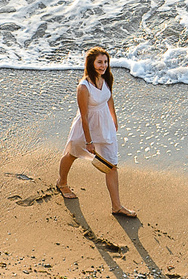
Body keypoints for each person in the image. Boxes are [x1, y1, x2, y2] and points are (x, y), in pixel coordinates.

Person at [55, 46, 135, 219]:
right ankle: (61, 183)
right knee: (72, 153)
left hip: (104, 125)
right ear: (91, 63)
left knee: (111, 165)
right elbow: (84, 116)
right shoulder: (83, 87)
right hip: (87, 127)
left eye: (105, 62)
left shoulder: (106, 78)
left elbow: (109, 97)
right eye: (99, 62)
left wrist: (114, 118)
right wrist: (89, 142)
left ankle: (117, 206)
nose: (103, 65)